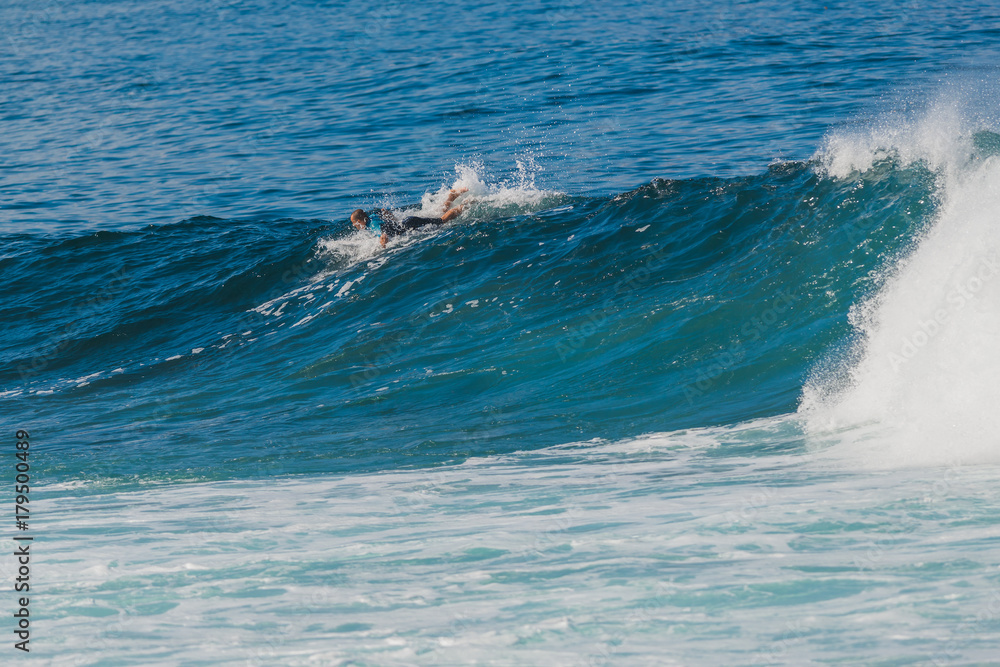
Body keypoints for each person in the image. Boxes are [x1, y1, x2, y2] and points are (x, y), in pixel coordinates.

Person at [351, 187, 468, 247]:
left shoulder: (372, 225)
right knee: (437, 216)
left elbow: (384, 235)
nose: (354, 225)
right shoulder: (372, 216)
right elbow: (388, 216)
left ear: (360, 220)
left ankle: (467, 204)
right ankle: (452, 196)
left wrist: (383, 248)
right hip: (407, 222)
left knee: (442, 221)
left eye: (354, 222)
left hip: (409, 224)